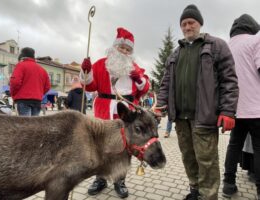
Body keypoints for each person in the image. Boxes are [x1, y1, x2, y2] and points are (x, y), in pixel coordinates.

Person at [156, 4, 238, 200]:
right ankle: (195, 190)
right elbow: (166, 82)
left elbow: (229, 80)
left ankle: (208, 196)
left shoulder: (216, 46)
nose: (187, 27)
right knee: (188, 158)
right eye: (183, 24)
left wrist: (228, 111)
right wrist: (160, 104)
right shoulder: (176, 53)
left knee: (207, 161)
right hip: (181, 119)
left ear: (199, 23)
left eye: (190, 22)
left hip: (204, 117)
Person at [80, 27, 150, 198]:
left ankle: (120, 180)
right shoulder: (101, 63)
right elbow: (89, 86)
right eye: (122, 47)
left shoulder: (134, 67)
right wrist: (86, 72)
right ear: (114, 47)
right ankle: (101, 179)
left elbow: (145, 88)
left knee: (125, 148)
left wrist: (137, 76)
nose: (124, 51)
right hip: (104, 109)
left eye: (128, 49)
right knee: (102, 146)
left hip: (126, 111)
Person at [222, 14, 260, 199]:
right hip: (257, 108)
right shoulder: (256, 40)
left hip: (234, 108)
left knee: (234, 145)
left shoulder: (227, 46)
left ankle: (228, 184)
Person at [10, 47, 51, 116]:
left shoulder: (20, 65)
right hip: (37, 101)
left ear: (22, 56)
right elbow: (47, 87)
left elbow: (15, 82)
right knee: (34, 125)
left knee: (25, 125)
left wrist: (14, 95)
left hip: (23, 99)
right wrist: (39, 93)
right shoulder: (42, 70)